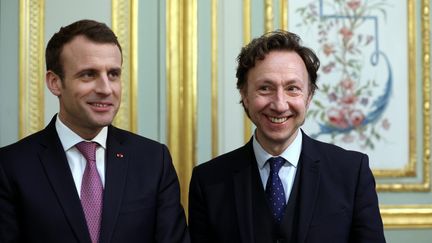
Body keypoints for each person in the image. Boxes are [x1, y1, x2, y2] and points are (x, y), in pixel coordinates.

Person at [0, 19, 189, 243]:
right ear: (55, 82)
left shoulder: (153, 160)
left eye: (113, 74)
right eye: (88, 74)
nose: (105, 89)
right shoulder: (10, 166)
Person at [188, 30, 386, 243]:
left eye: (293, 89)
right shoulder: (208, 181)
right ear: (245, 95)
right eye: (265, 88)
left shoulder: (351, 173)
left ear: (309, 97)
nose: (280, 104)